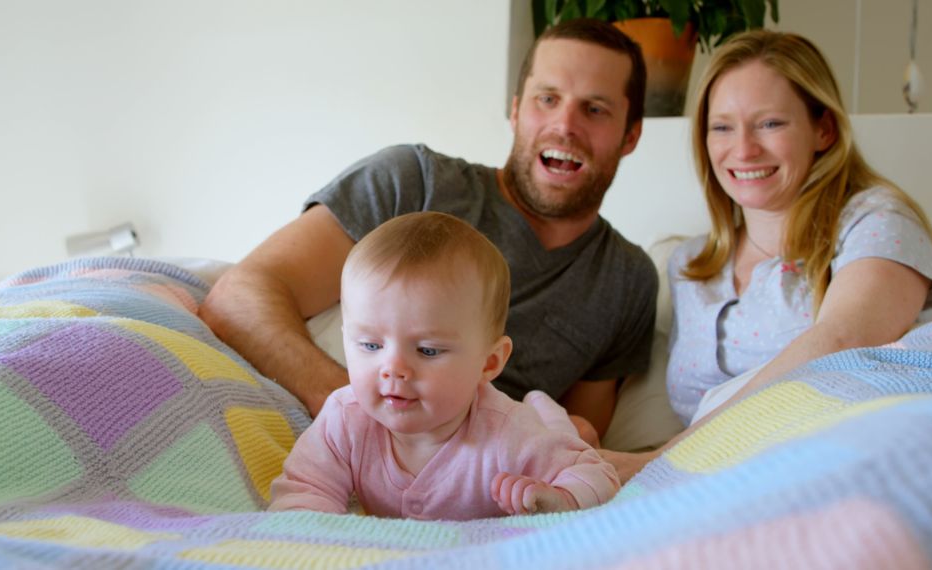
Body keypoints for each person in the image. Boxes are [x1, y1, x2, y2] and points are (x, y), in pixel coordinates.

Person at [198, 18, 658, 443]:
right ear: (516, 111)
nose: (565, 126)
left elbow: (580, 439)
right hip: (327, 446)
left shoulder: (627, 279)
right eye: (548, 99)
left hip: (484, 485)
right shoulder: (414, 181)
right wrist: (367, 422)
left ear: (631, 136)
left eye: (595, 109)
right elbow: (238, 298)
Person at [601, 30, 932, 480]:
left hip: (850, 467)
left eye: (770, 124)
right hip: (709, 486)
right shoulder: (689, 266)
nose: (743, 149)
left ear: (823, 129)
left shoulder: (876, 221)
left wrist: (657, 463)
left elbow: (840, 343)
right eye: (722, 126)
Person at [268, 212, 620, 519]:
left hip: (530, 425)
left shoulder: (509, 435)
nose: (393, 368)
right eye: (371, 345)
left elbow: (599, 476)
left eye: (428, 351)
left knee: (559, 432)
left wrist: (560, 497)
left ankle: (545, 409)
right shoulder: (345, 419)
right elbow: (305, 492)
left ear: (491, 361)